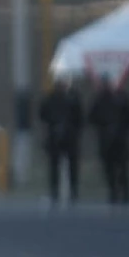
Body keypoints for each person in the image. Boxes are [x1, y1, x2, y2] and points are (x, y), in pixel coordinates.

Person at [88, 74, 129, 204]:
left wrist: (123, 130)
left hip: (120, 139)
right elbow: (92, 118)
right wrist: (104, 128)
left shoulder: (122, 97)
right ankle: (113, 192)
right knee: (109, 168)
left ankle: (126, 193)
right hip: (106, 140)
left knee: (123, 167)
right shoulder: (99, 100)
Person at [38, 75, 84, 205]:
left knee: (72, 166)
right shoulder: (51, 98)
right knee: (54, 165)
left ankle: (74, 190)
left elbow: (80, 118)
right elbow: (43, 114)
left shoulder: (74, 98)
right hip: (55, 137)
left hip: (70, 137)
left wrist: (74, 130)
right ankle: (54, 190)